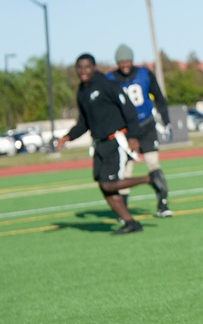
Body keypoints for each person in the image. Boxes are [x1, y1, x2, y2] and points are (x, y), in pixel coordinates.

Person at [57, 54, 169, 235]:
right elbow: (83, 122)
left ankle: (150, 179)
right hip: (99, 143)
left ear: (94, 67)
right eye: (79, 68)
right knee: (105, 187)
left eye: (86, 67)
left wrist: (133, 136)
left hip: (115, 140)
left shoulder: (106, 84)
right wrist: (68, 137)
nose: (83, 71)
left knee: (110, 184)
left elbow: (129, 110)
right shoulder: (82, 91)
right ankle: (131, 222)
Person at [108, 44, 172, 217]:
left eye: (127, 60)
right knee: (126, 170)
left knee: (153, 163)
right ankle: (124, 211)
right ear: (117, 62)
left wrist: (166, 121)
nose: (125, 64)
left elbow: (159, 97)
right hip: (125, 131)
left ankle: (163, 204)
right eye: (121, 62)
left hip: (146, 126)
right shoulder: (110, 79)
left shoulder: (144, 74)